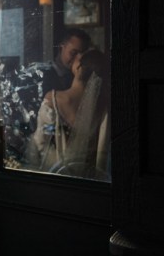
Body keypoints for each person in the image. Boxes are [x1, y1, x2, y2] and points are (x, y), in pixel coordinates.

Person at [25, 48, 110, 179]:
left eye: (79, 58)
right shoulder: (102, 107)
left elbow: (41, 141)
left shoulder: (53, 100)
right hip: (87, 178)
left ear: (79, 69)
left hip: (55, 175)